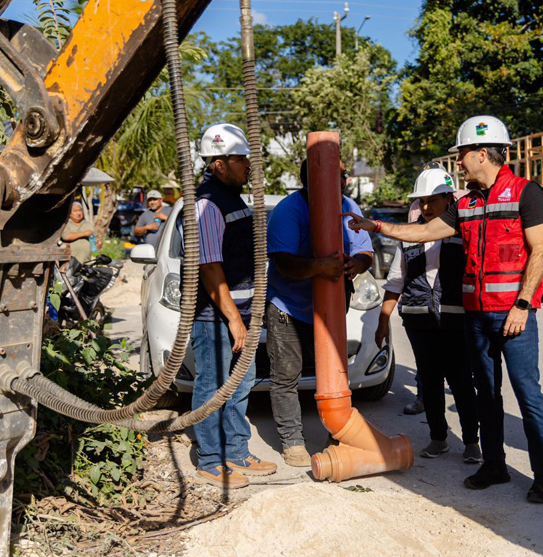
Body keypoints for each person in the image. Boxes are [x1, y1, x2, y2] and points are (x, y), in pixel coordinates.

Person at [346, 115, 543, 503]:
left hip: (514, 316)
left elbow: (540, 251)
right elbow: (423, 232)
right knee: (486, 394)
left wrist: (523, 305)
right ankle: (494, 464)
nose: (458, 162)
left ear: (481, 153)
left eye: (462, 155)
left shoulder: (527, 193)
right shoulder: (468, 204)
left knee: (528, 394)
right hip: (476, 317)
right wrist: (375, 226)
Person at [185, 122, 276, 488]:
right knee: (212, 386)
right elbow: (210, 268)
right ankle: (209, 460)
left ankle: (237, 452)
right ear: (219, 163)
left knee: (241, 383)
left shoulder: (232, 197)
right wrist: (235, 320)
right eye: (241, 159)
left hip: (243, 313)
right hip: (216, 317)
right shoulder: (207, 204)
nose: (247, 165)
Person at [265, 160, 373, 467]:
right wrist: (317, 267)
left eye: (343, 175)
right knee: (286, 377)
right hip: (288, 305)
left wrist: (358, 264)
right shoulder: (289, 210)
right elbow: (284, 262)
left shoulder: (349, 206)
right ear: (313, 179)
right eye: (337, 174)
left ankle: (337, 434)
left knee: (335, 375)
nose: (344, 180)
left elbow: (365, 251)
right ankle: (293, 441)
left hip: (330, 306)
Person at [377, 167, 480, 462]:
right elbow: (396, 280)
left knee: (461, 381)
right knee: (430, 381)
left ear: (449, 199)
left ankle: (472, 442)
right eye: (421, 201)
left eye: (432, 200)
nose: (425, 207)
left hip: (456, 320)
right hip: (419, 320)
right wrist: (383, 321)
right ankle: (438, 438)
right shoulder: (409, 235)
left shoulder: (463, 230)